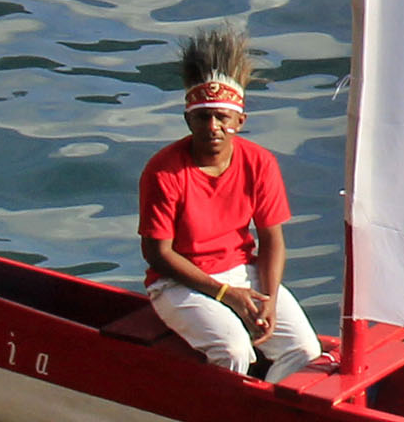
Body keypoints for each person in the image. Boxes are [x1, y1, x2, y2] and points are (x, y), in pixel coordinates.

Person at [132, 25, 320, 380]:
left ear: (239, 121)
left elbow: (272, 239)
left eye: (222, 117)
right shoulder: (163, 171)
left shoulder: (259, 162)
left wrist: (269, 301)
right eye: (203, 117)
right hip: (178, 284)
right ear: (189, 119)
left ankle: (269, 419)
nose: (213, 127)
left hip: (240, 271)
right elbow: (158, 254)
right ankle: (222, 421)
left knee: (305, 350)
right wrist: (225, 294)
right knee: (234, 350)